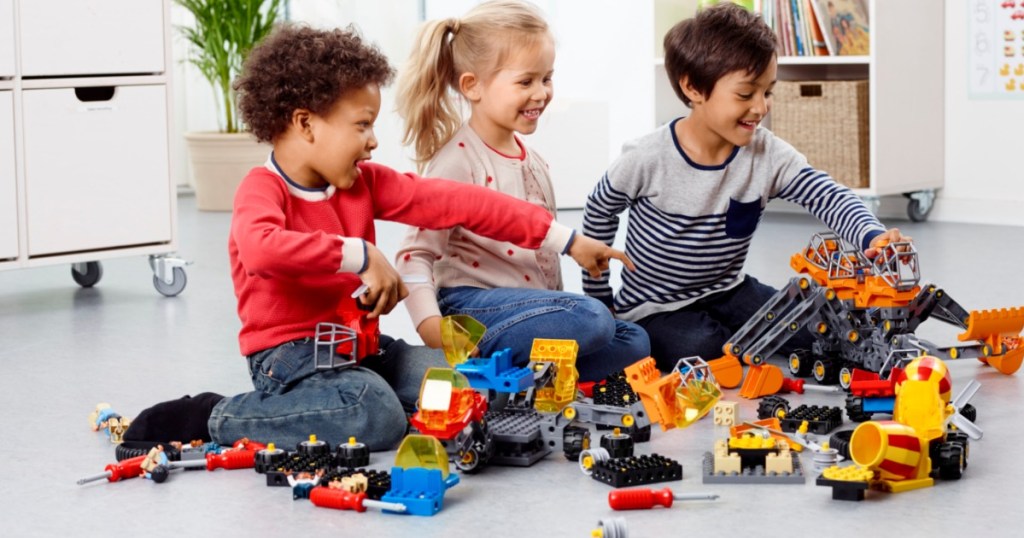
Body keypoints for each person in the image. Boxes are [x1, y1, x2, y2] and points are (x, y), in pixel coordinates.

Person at [124, 24, 630, 452]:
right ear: (305, 124)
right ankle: (214, 416)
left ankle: (372, 401)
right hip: (290, 359)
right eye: (362, 125)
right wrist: (358, 253)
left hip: (360, 349)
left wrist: (564, 238)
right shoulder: (262, 190)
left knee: (471, 387)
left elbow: (461, 202)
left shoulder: (365, 182)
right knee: (374, 414)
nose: (373, 140)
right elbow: (261, 249)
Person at [581, 3, 910, 372]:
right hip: (655, 308)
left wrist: (871, 236)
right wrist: (599, 298)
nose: (760, 107)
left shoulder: (766, 152)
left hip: (730, 290)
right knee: (705, 347)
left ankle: (744, 338)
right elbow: (599, 210)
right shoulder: (647, 157)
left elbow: (827, 195)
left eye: (768, 91)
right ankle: (733, 342)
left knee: (820, 329)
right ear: (693, 87)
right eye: (745, 94)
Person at [393, 0, 650, 382]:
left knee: (635, 340)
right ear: (472, 86)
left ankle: (524, 373)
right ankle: (484, 364)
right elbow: (414, 254)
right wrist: (431, 326)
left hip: (528, 308)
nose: (542, 93)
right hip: (471, 308)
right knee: (592, 319)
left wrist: (562, 309)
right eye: (525, 81)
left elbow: (543, 262)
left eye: (546, 78)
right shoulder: (457, 161)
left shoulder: (534, 160)